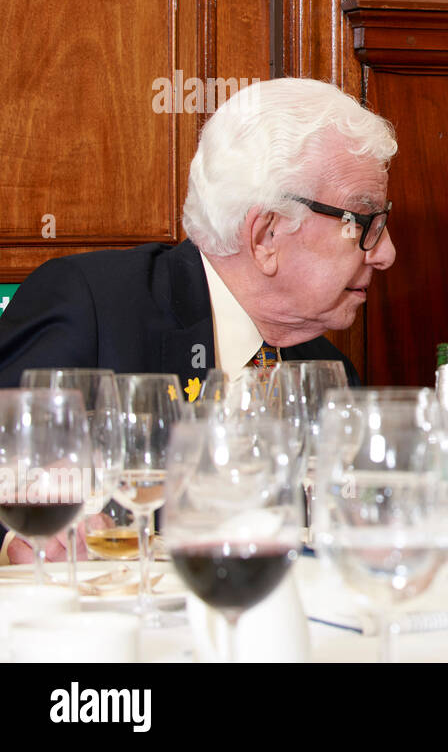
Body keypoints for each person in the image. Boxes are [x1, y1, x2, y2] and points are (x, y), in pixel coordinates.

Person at [0, 77, 397, 559]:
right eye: (364, 223)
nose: (387, 254)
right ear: (267, 234)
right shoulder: (91, 307)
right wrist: (21, 539)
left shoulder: (329, 377)